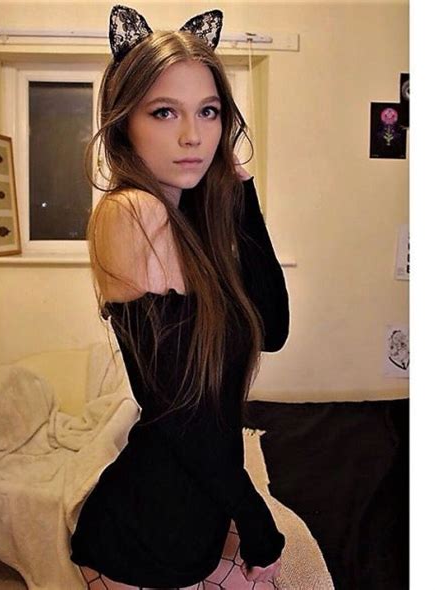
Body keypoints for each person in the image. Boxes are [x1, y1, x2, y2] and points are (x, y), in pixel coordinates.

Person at [70, 5, 290, 589]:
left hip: (194, 509)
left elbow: (272, 329)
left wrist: (243, 200)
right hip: (146, 534)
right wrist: (256, 517)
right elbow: (179, 410)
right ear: (124, 122)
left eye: (208, 111)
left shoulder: (188, 218)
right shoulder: (134, 211)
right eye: (164, 111)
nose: (193, 135)